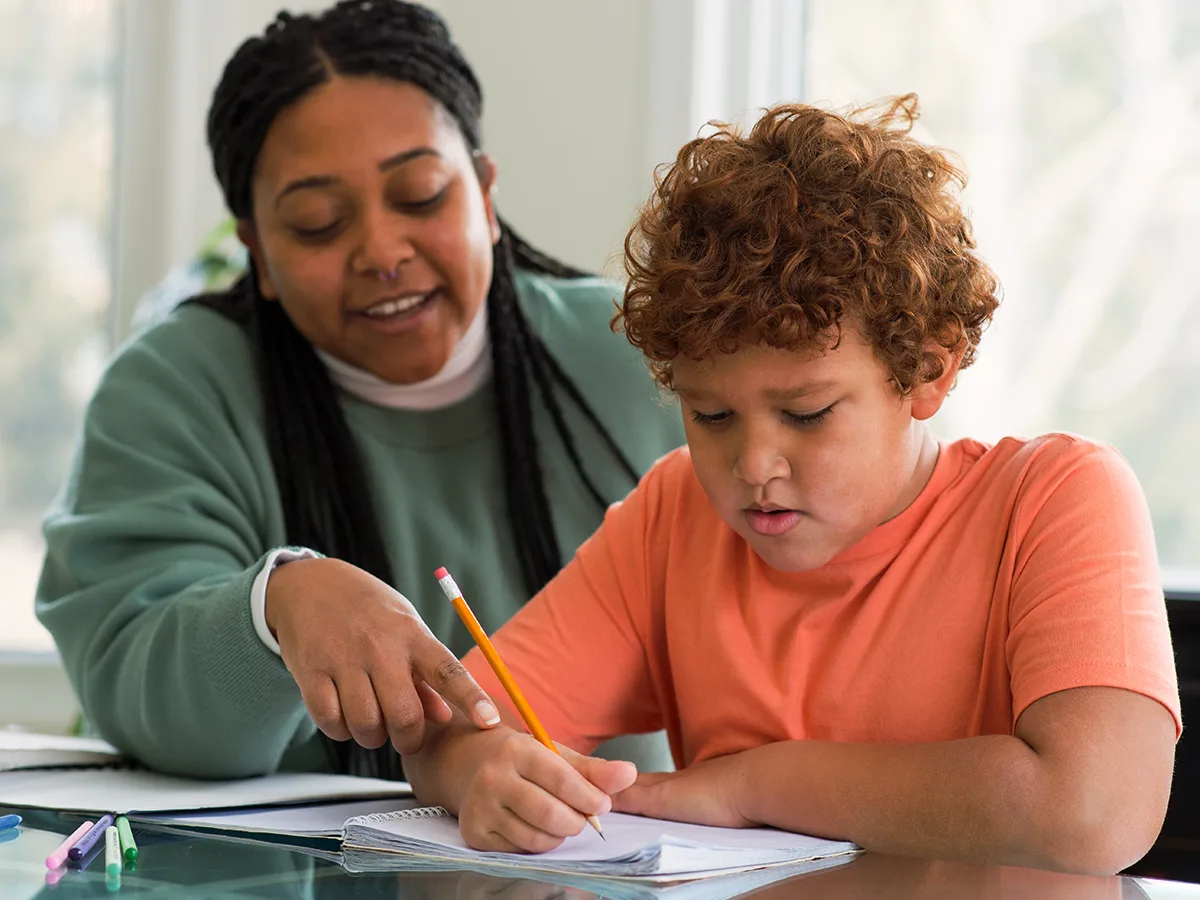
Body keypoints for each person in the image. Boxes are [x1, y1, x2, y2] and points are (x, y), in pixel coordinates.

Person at [400, 95, 1180, 875]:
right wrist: (480, 769)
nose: (752, 467)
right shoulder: (675, 514)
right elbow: (452, 728)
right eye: (710, 415)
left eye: (806, 414)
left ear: (929, 370)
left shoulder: (1057, 498)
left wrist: (753, 783)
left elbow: (1095, 812)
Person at [35, 0, 683, 780]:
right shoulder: (173, 390)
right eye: (315, 223)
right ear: (258, 255)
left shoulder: (644, 351)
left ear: (484, 194)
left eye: (419, 195)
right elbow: (138, 686)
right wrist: (276, 608)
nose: (381, 251)